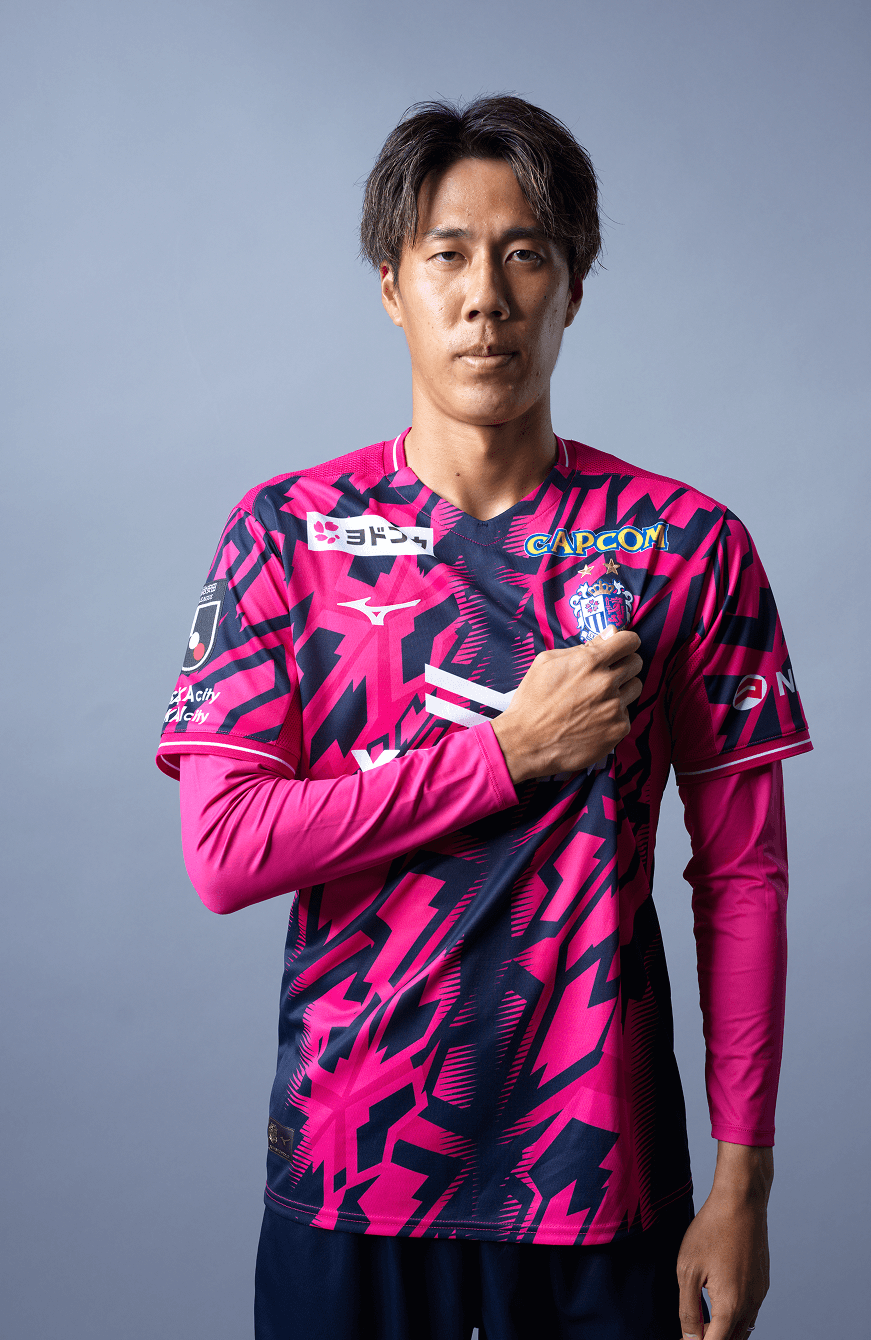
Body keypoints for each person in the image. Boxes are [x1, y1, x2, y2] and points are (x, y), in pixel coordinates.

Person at [157, 96, 811, 1340]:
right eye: (447, 254)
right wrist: (506, 753)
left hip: (598, 1182)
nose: (485, 299)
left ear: (574, 288)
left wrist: (743, 1184)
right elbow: (225, 850)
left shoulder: (685, 544)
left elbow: (742, 879)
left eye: (525, 255)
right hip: (351, 1168)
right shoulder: (285, 535)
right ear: (391, 287)